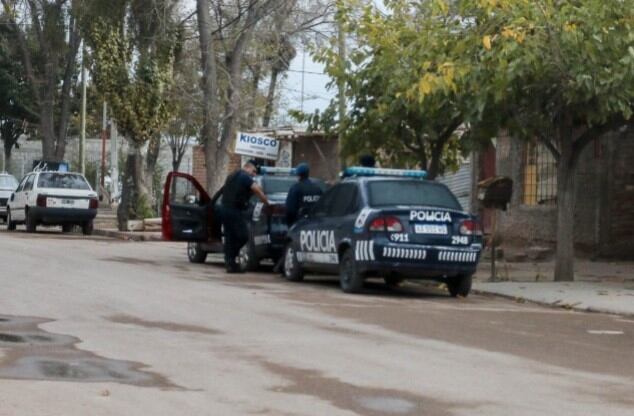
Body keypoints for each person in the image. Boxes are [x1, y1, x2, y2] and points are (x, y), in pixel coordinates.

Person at [219, 160, 269, 273]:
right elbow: (257, 190)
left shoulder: (232, 175)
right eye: (254, 171)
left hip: (225, 209)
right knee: (243, 236)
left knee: (230, 237)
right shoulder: (244, 176)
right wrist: (266, 202)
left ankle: (230, 264)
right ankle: (231, 258)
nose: (254, 174)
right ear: (248, 167)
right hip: (234, 210)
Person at [273, 163, 322, 274]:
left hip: (299, 223)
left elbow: (290, 209)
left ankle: (283, 267)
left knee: (292, 246)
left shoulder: (296, 188)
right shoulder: (317, 188)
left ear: (298, 175)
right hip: (314, 223)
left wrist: (290, 223)